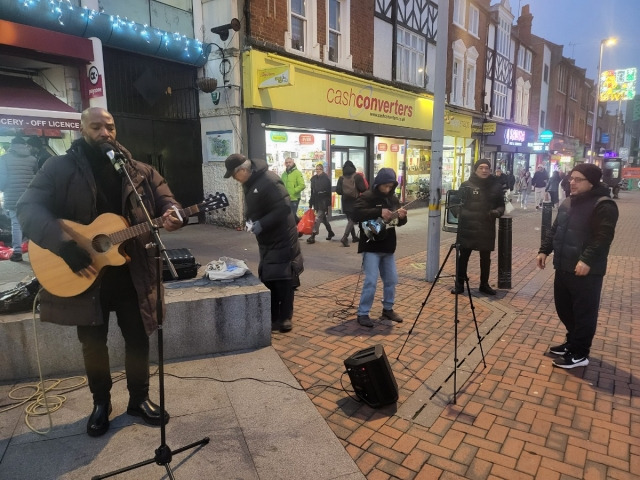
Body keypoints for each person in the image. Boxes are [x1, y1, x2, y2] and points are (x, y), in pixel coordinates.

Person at [16, 107, 184, 437]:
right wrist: (64, 245)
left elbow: (167, 202)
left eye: (109, 127)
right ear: (82, 130)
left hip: (132, 275)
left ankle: (139, 399)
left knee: (138, 340)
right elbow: (28, 207)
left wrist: (174, 213)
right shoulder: (59, 168)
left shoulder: (139, 172)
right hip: (82, 273)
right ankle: (101, 403)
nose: (104, 133)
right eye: (96, 127)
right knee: (93, 345)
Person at [536, 163, 618, 369]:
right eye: (571, 178)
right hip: (563, 266)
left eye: (578, 179)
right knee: (565, 309)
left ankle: (580, 353)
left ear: (591, 182)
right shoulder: (568, 202)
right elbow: (556, 229)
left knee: (583, 313)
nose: (571, 182)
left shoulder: (603, 205)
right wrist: (544, 250)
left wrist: (587, 260)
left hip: (586, 271)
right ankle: (571, 342)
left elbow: (603, 238)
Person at [224, 153, 304, 333]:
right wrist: (250, 221)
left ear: (243, 170)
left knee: (284, 277)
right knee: (269, 277)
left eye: (235, 175)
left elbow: (284, 208)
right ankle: (273, 316)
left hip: (282, 236)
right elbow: (255, 207)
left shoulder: (269, 180)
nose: (235, 179)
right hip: (267, 239)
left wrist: (262, 223)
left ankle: (284, 319)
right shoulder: (250, 183)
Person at [351, 168, 407, 327]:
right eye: (385, 186)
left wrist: (402, 218)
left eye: (390, 186)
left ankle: (388, 309)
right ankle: (363, 313)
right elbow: (355, 214)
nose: (388, 189)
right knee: (371, 281)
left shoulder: (393, 199)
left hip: (388, 246)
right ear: (379, 183)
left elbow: (397, 222)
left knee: (391, 280)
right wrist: (378, 211)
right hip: (371, 247)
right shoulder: (368, 196)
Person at [451, 159, 505, 296]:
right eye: (481, 167)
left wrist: (497, 212)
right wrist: (460, 214)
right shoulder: (466, 185)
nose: (484, 170)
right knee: (463, 257)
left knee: (485, 258)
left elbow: (501, 205)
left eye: (487, 168)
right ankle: (459, 284)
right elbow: (455, 203)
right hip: (467, 228)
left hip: (486, 227)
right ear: (475, 169)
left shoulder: (496, 187)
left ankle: (484, 284)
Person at [0, 137, 38, 262]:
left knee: (16, 225)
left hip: (13, 197)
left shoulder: (4, 159)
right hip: (29, 196)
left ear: (12, 145)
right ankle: (38, 252)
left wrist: (2, 189)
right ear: (24, 145)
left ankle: (17, 253)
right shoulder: (32, 159)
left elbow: (3, 180)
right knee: (33, 224)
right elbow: (36, 177)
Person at [335, 160, 367, 247]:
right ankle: (345, 238)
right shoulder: (357, 176)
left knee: (350, 219)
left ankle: (354, 237)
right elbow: (363, 188)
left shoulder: (341, 178)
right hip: (355, 201)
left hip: (345, 201)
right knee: (353, 219)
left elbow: (338, 191)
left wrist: (345, 192)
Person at [306, 163, 335, 244]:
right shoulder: (314, 179)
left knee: (318, 218)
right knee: (323, 219)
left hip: (323, 201)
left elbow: (328, 191)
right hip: (316, 201)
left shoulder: (326, 178)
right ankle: (330, 232)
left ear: (322, 170)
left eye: (319, 169)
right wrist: (311, 202)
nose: (318, 170)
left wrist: (328, 202)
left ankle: (313, 235)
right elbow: (312, 192)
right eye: (317, 169)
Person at [280, 157, 305, 223]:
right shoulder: (283, 174)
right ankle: (300, 227)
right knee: (291, 216)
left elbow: (302, 185)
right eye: (286, 162)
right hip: (286, 198)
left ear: (293, 162)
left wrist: (293, 191)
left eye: (289, 162)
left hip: (294, 199)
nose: (288, 164)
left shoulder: (297, 173)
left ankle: (292, 232)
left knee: (291, 217)